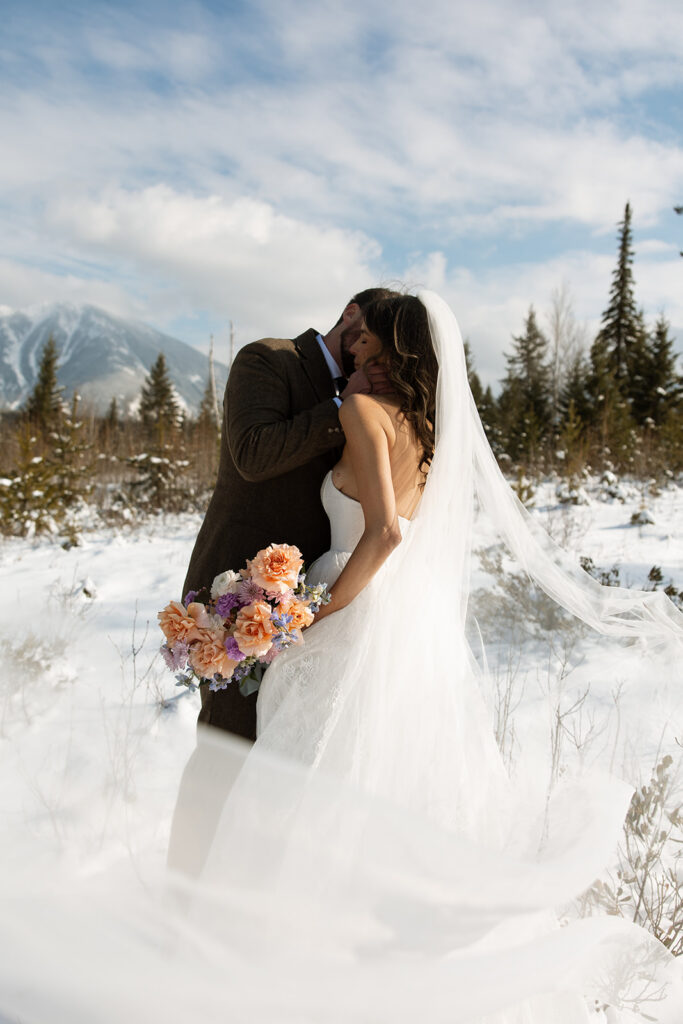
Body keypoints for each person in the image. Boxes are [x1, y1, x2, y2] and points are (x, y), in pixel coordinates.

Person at [168, 286, 398, 876]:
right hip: (231, 600)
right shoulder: (267, 360)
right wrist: (341, 407)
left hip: (312, 614)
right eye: (371, 345)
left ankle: (246, 908)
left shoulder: (369, 397)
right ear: (351, 318)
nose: (375, 362)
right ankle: (184, 901)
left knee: (283, 767)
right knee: (225, 753)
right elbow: (251, 452)